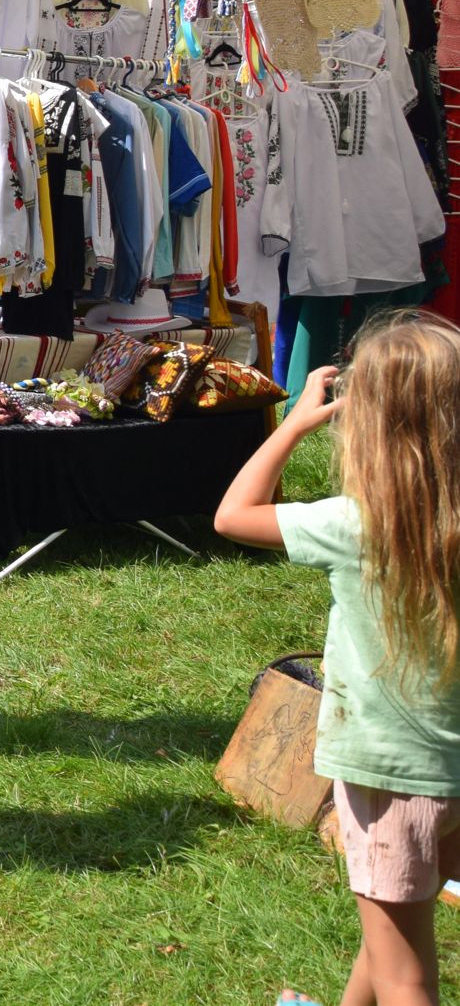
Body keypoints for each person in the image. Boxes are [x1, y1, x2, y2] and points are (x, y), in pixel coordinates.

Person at [217, 311, 460, 1006]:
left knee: (408, 972)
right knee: (391, 920)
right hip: (452, 769)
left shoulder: (352, 524)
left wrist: (292, 424)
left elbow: (233, 515)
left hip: (386, 777)